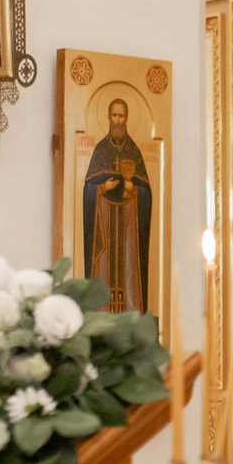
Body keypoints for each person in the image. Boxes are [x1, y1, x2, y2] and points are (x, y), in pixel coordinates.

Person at [82, 101, 153, 313]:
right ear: (108, 117)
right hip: (104, 226)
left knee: (128, 269)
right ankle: (100, 310)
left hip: (127, 229)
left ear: (127, 119)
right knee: (104, 269)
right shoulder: (100, 150)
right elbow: (88, 190)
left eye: (121, 116)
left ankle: (131, 312)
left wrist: (132, 191)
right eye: (114, 116)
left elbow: (146, 193)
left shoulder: (134, 151)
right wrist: (102, 188)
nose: (118, 121)